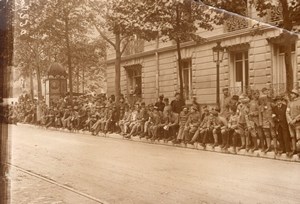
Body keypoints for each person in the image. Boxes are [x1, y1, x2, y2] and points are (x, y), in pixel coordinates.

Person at [260, 87, 277, 153]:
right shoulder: (261, 106)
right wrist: (261, 123)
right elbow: (260, 114)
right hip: (265, 122)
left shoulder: (271, 103)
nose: (263, 100)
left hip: (271, 121)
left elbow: (275, 110)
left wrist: (274, 117)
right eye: (262, 99)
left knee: (273, 135)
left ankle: (275, 148)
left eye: (264, 99)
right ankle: (269, 147)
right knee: (267, 135)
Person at [286, 88, 300, 157]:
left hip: (298, 123)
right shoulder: (290, 103)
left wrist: (295, 119)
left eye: (292, 93)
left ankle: (299, 151)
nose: (291, 95)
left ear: (296, 94)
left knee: (298, 137)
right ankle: (294, 150)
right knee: (292, 137)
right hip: (291, 123)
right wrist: (290, 120)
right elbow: (287, 112)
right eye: (291, 93)